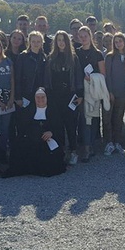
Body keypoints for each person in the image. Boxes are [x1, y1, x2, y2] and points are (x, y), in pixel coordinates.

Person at [4, 88, 66, 177]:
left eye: (42, 97)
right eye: (37, 97)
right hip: (32, 139)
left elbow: (59, 128)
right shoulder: (28, 110)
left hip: (48, 140)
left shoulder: (54, 111)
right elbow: (23, 128)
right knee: (19, 147)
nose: (40, 99)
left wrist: (51, 133)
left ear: (47, 97)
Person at [44, 30, 84, 165]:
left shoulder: (73, 57)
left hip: (70, 96)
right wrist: (47, 95)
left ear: (68, 42)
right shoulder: (50, 58)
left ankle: (73, 151)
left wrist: (80, 95)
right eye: (59, 40)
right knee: (57, 126)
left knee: (71, 125)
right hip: (54, 97)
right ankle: (60, 151)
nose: (61, 43)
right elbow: (47, 79)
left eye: (63, 40)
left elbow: (78, 77)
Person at [76, 25, 106, 162]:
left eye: (85, 36)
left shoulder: (98, 54)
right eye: (80, 36)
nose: (83, 39)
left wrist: (92, 78)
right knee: (85, 119)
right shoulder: (76, 53)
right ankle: (86, 148)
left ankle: (92, 145)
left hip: (94, 90)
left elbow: (103, 74)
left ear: (90, 36)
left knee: (94, 118)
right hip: (81, 90)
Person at [103, 32, 125, 156]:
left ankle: (117, 142)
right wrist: (109, 91)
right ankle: (109, 143)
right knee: (107, 118)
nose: (118, 44)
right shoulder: (109, 56)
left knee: (118, 118)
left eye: (120, 41)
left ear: (124, 42)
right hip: (111, 92)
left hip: (124, 93)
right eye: (116, 42)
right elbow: (108, 75)